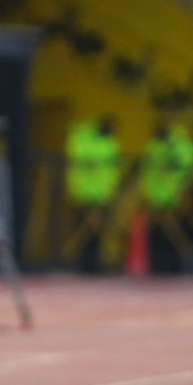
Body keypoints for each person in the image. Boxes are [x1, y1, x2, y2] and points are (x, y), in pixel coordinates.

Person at [141, 122, 193, 273]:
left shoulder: (180, 146)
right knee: (158, 231)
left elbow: (189, 169)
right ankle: (158, 264)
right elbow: (148, 171)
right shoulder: (156, 146)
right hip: (158, 195)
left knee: (173, 228)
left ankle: (182, 260)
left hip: (175, 194)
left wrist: (185, 189)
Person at [65, 116, 121, 272]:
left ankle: (96, 263)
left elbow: (112, 170)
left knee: (97, 233)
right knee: (83, 231)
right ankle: (80, 263)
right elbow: (81, 160)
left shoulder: (110, 143)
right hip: (84, 194)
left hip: (104, 195)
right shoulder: (83, 140)